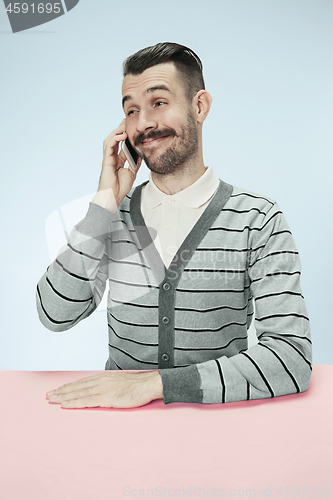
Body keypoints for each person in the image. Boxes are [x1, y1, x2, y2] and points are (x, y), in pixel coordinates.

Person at [37, 42, 312, 409]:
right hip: (116, 436)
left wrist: (154, 385)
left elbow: (290, 359)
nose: (144, 123)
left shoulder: (258, 219)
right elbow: (54, 314)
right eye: (131, 110)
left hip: (221, 432)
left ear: (200, 106)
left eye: (159, 103)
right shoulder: (109, 219)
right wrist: (103, 203)